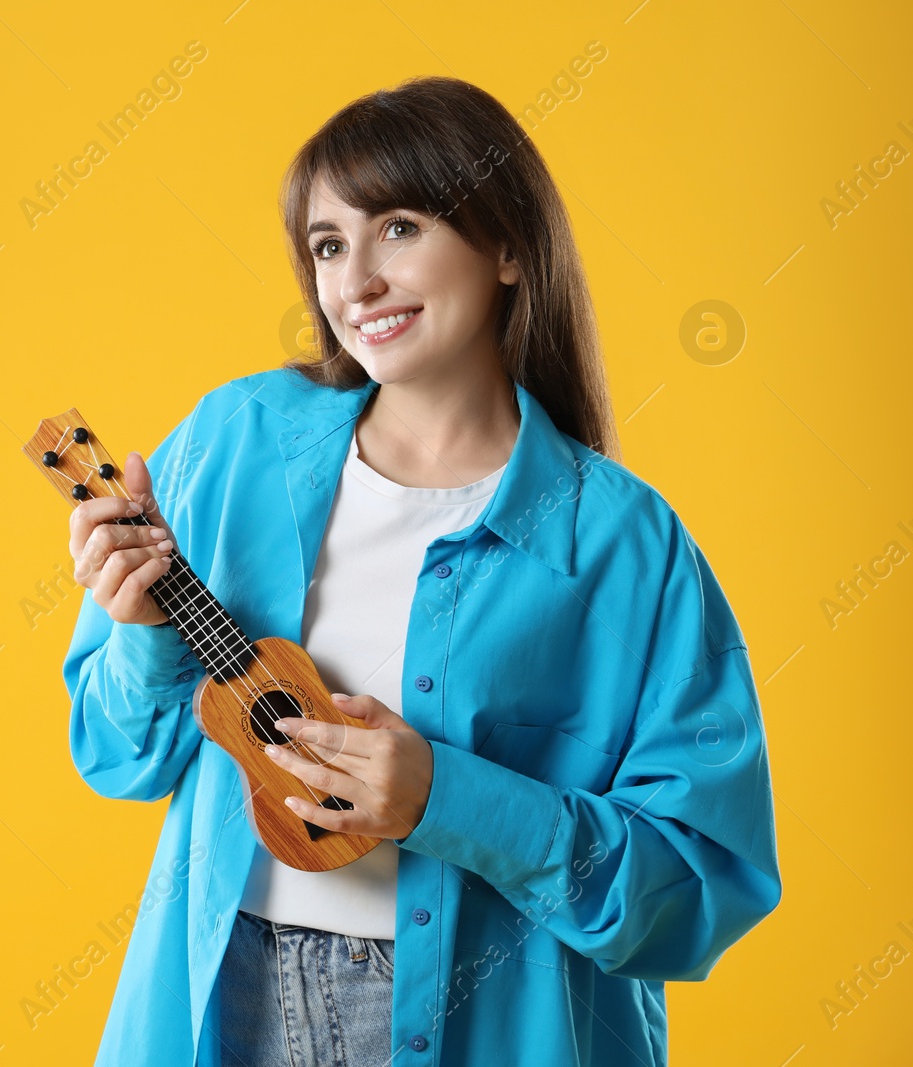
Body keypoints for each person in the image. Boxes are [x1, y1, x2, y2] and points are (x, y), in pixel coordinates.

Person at [61, 76, 782, 1066]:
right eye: (327, 244)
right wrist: (141, 632)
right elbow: (115, 755)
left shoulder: (622, 543)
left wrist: (447, 798)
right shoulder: (235, 438)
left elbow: (699, 887)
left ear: (508, 247)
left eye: (396, 226)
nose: (354, 279)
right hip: (222, 998)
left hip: (492, 1028)